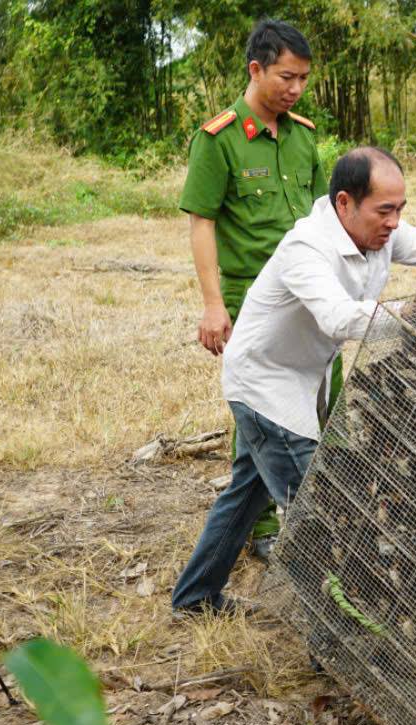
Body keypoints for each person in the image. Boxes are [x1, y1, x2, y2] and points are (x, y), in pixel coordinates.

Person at [170, 147, 416, 615]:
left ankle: (194, 597)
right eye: (384, 210)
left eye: (400, 209)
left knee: (246, 493)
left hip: (302, 376)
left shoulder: (379, 234)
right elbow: (338, 317)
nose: (394, 222)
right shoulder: (307, 247)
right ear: (345, 203)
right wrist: (409, 309)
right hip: (267, 387)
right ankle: (342, 632)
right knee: (325, 517)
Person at [178, 20, 326, 557]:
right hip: (253, 296)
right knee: (262, 412)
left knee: (319, 401)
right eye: (287, 77)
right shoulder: (218, 139)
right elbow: (202, 223)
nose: (296, 89)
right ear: (256, 69)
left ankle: (317, 512)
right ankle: (261, 528)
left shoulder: (302, 136)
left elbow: (323, 216)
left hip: (309, 293)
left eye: (303, 79)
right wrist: (212, 304)